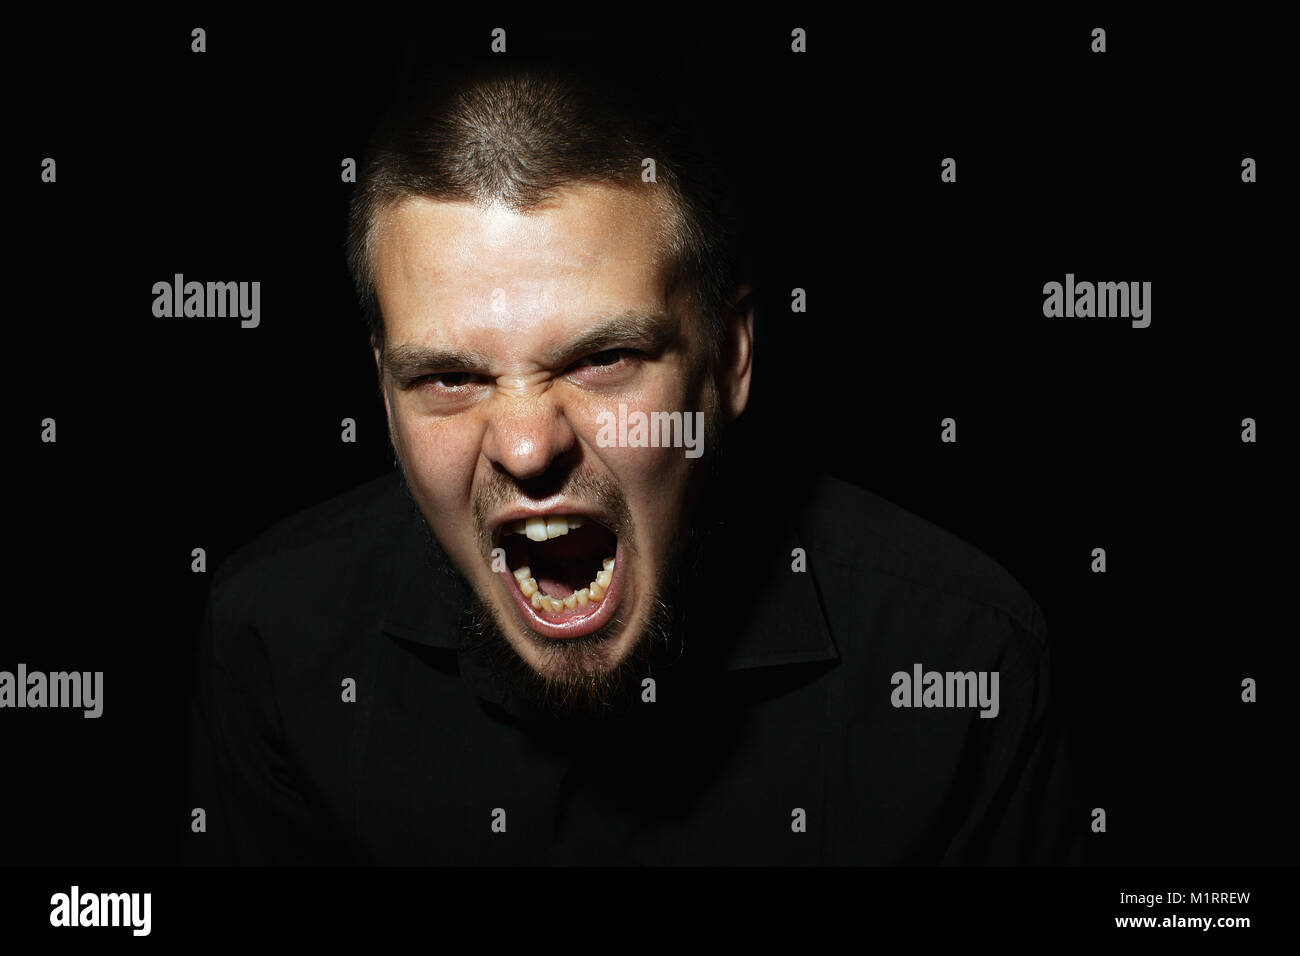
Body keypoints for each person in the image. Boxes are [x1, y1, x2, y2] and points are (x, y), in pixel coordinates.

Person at [183, 56, 1083, 865]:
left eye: (602, 360)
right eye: (451, 377)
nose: (528, 445)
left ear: (728, 358)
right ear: (382, 393)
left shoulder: (967, 662)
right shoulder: (274, 641)